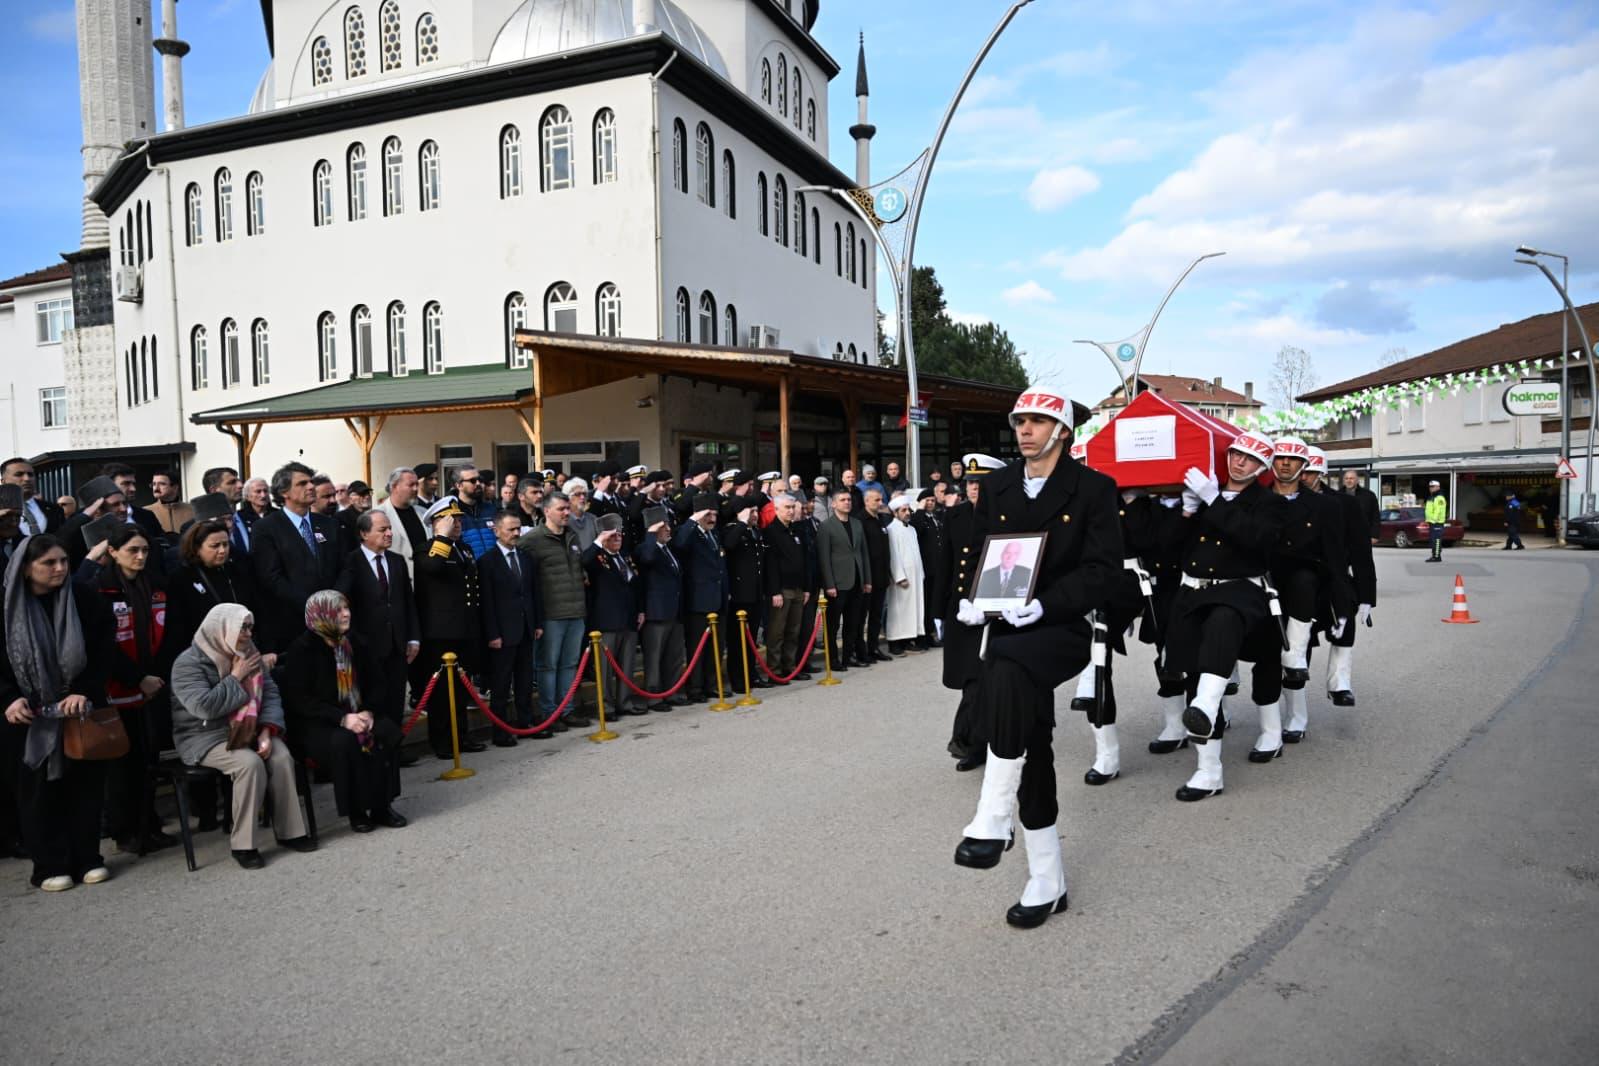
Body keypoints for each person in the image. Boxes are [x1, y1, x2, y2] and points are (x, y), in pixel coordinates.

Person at [951, 386, 1120, 929]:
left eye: (1036, 422)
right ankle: (1047, 878)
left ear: (1062, 432)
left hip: (1061, 626)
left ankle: (994, 813)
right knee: (1033, 740)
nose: (1024, 430)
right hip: (1005, 626)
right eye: (1019, 420)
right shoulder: (998, 485)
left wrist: (1046, 602)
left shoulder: (1093, 488)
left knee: (1009, 668)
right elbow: (979, 550)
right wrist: (972, 598)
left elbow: (1103, 571)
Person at [1163, 430, 1287, 801]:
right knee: (1192, 674)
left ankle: (1207, 705)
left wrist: (1214, 500)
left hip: (1239, 590)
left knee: (1222, 621)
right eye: (1235, 454)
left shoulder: (1269, 503)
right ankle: (1208, 770)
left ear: (1262, 467)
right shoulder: (1205, 494)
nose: (1239, 461)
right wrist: (1186, 511)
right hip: (1191, 591)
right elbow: (1167, 548)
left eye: (1249, 459)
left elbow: (1257, 540)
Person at [1, 535, 115, 891]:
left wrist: (85, 690)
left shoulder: (83, 598)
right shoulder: (6, 607)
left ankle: (88, 858)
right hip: (26, 717)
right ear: (25, 569)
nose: (60, 569)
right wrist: (8, 698)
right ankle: (49, 864)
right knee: (36, 792)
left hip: (77, 710)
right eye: (49, 563)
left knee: (85, 787)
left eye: (64, 561)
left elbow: (103, 650)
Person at [168, 604, 315, 868]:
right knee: (249, 763)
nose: (248, 633)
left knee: (280, 756)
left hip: (250, 728)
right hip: (204, 736)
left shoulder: (250, 654)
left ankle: (290, 831)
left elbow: (269, 695)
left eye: (250, 627)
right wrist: (235, 677)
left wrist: (267, 731)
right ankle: (244, 844)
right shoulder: (187, 663)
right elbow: (204, 707)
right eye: (242, 627)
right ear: (221, 627)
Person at [81, 524, 179, 853]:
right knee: (122, 765)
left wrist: (155, 678)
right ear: (112, 552)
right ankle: (125, 831)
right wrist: (137, 677)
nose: (140, 557)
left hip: (152, 686)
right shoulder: (99, 590)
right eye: (132, 550)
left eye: (145, 551)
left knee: (148, 759)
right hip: (116, 688)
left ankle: (148, 824)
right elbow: (103, 646)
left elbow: (166, 636)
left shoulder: (157, 588)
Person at [278, 591, 406, 833]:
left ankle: (382, 806)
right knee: (345, 742)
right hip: (320, 722)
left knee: (384, 731)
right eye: (338, 610)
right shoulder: (302, 650)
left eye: (347, 608)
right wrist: (342, 718)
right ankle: (357, 810)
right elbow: (301, 700)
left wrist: (368, 711)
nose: (346, 613)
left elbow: (378, 682)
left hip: (360, 711)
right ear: (321, 614)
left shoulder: (356, 641)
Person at [1265, 437, 1350, 750]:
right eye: (1280, 458)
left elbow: (1335, 556)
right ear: (1271, 463)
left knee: (1296, 661)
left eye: (1293, 459)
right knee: (1264, 658)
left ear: (1304, 467)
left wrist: (1343, 602)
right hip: (1264, 586)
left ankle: (1296, 718)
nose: (1285, 463)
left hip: (1305, 591)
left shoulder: (1325, 506)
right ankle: (1267, 721)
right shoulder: (1257, 499)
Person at [412, 497, 488, 757]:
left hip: (464, 630)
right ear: (437, 522)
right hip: (440, 634)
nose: (457, 524)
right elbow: (432, 567)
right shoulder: (427, 549)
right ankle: (443, 741)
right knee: (441, 693)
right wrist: (442, 538)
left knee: (461, 688)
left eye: (459, 519)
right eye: (451, 520)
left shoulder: (464, 549)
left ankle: (461, 736)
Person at [942, 455, 1003, 772]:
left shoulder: (1006, 516)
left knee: (989, 678)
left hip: (995, 610)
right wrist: (940, 610)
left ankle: (973, 740)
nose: (974, 488)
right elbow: (947, 564)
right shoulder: (955, 516)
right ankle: (974, 741)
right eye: (970, 482)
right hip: (962, 610)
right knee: (971, 678)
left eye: (980, 482)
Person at [335, 510, 420, 737]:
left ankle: (395, 746)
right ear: (364, 533)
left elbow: (407, 602)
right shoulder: (352, 561)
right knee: (373, 700)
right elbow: (342, 600)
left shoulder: (396, 561)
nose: (389, 533)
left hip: (397, 644)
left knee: (395, 699)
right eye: (382, 530)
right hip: (367, 647)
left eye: (389, 528)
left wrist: (413, 637)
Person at [1303, 450, 1373, 708]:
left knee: (1344, 623)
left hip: (1335, 580)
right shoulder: (1283, 499)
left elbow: (1361, 552)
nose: (1303, 477)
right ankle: (1295, 697)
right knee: (1300, 639)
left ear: (1320, 472)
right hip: (1298, 580)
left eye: (1309, 472)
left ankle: (1339, 683)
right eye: (1301, 471)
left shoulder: (1345, 504)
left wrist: (1367, 596)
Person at [249, 463, 344, 652]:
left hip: (334, 620)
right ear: (285, 492)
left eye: (311, 482)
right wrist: (313, 607)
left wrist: (335, 602)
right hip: (293, 625)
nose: (311, 487)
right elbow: (271, 577)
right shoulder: (267, 528)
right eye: (302, 483)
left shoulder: (329, 524)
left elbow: (344, 567)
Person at [524, 492, 591, 731]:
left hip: (576, 610)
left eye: (567, 508)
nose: (566, 513)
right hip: (551, 613)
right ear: (547, 511)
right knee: (548, 665)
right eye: (561, 509)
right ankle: (549, 713)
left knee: (569, 664)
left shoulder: (572, 536)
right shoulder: (532, 540)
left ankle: (567, 710)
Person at [477, 510, 542, 744]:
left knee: (524, 681)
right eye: (510, 529)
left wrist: (537, 623)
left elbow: (533, 593)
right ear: (496, 530)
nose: (516, 533)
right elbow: (486, 602)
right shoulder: (487, 562)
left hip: (525, 629)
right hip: (502, 634)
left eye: (518, 529)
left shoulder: (525, 557)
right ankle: (501, 731)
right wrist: (492, 633)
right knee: (501, 685)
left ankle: (525, 723)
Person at [585, 514, 646, 717]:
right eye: (612, 536)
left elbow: (636, 587)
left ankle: (625, 702)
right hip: (607, 622)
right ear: (603, 537)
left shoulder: (625, 556)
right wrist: (598, 542)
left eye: (619, 534)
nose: (617, 538)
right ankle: (606, 706)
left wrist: (640, 611)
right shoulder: (597, 557)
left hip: (628, 619)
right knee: (605, 669)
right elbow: (584, 561)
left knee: (627, 666)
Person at [672, 493, 730, 702]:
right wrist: (693, 520)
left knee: (716, 646)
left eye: (714, 514)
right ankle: (695, 688)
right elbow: (678, 545)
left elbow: (721, 567)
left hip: (718, 599)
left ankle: (711, 684)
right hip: (698, 601)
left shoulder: (714, 534)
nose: (712, 519)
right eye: (707, 515)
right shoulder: (689, 533)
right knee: (697, 648)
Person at [815, 488, 872, 670]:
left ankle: (848, 656)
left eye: (848, 500)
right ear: (833, 504)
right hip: (837, 583)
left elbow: (864, 553)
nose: (847, 502)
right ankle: (832, 660)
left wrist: (867, 580)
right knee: (832, 626)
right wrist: (829, 584)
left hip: (856, 580)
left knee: (853, 623)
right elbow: (824, 558)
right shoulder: (826, 526)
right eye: (842, 500)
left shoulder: (856, 524)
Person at [636, 517, 689, 711]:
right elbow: (648, 558)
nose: (668, 530)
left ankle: (672, 692)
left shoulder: (669, 550)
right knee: (654, 657)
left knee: (674, 656)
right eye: (663, 527)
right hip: (656, 613)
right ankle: (654, 697)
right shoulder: (645, 548)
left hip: (674, 611)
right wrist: (651, 534)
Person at [762, 494, 812, 681]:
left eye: (792, 507)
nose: (791, 511)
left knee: (794, 631)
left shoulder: (796, 530)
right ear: (776, 509)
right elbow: (771, 565)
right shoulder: (771, 532)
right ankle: (774, 670)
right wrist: (775, 591)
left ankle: (790, 667)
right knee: (777, 632)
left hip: (798, 588)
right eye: (787, 508)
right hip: (782, 590)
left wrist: (807, 588)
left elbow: (804, 560)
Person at [721, 501, 769, 693]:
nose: (754, 514)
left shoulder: (755, 531)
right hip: (739, 595)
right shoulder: (732, 529)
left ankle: (751, 674)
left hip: (756, 593)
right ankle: (738, 679)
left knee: (751, 639)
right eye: (751, 510)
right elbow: (729, 545)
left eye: (756, 510)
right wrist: (741, 523)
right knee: (736, 641)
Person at [883, 495, 925, 654]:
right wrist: (899, 576)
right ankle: (895, 642)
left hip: (915, 576)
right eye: (903, 510)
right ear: (895, 513)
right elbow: (893, 555)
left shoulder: (912, 529)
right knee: (898, 610)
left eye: (908, 510)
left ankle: (908, 639)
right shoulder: (892, 530)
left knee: (911, 610)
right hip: (902, 578)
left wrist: (920, 573)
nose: (908, 513)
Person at [909, 489, 947, 651]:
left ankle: (930, 634)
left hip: (936, 567)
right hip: (925, 567)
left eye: (932, 500)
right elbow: (917, 530)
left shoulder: (936, 517)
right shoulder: (918, 517)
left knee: (933, 603)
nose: (931, 503)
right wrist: (919, 509)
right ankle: (921, 637)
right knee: (924, 604)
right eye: (927, 500)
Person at [859, 489, 892, 664]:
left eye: (881, 499)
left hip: (881, 575)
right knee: (862, 616)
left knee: (876, 616)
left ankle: (873, 647)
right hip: (868, 578)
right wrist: (866, 578)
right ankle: (860, 650)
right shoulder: (860, 520)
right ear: (866, 501)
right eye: (876, 500)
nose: (880, 503)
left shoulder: (882, 520)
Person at [375, 466, 426, 576]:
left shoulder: (423, 513)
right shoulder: (378, 515)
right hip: (397, 580)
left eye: (417, 484)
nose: (416, 489)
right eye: (411, 485)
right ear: (394, 486)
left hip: (426, 580)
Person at [2, 458, 64, 535]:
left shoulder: (55, 509)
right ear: (3, 481)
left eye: (30, 474)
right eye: (19, 474)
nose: (27, 479)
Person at [452, 466, 498, 558]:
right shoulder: (453, 513)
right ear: (459, 485)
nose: (478, 483)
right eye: (473, 481)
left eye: (480, 480)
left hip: (494, 567)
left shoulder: (491, 509)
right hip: (469, 569)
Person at [146, 471, 193, 543]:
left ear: (175, 487)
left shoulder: (192, 510)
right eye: (154, 484)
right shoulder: (146, 512)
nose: (156, 488)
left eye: (162, 484)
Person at [1340, 469, 1380, 544]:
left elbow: (1375, 517)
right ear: (1343, 481)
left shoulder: (1369, 495)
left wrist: (1375, 535)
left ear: (1357, 480)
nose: (1349, 481)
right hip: (1343, 537)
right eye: (1346, 478)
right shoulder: (1336, 495)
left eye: (1351, 478)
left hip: (1363, 536)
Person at [564, 478, 599, 551]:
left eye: (584, 494)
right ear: (567, 498)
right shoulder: (564, 520)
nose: (582, 497)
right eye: (577, 494)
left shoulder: (593, 519)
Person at [1424, 479, 1448, 562]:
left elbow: (1438, 510)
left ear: (1438, 487)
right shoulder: (1432, 497)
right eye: (1430, 487)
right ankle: (1434, 555)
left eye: (1433, 486)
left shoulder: (1439, 498)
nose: (1431, 488)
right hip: (1432, 522)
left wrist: (1434, 519)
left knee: (1437, 540)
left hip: (1437, 522)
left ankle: (1437, 556)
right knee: (1433, 540)